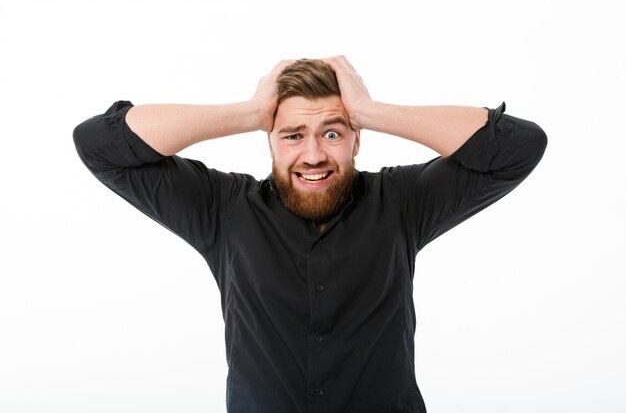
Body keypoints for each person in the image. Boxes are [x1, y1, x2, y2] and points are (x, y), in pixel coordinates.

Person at [73, 56, 547, 413]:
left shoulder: (402, 201)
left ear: (357, 138)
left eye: (333, 133)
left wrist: (370, 109)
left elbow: (519, 147)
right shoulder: (223, 208)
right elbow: (100, 144)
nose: (314, 154)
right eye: (293, 134)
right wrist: (248, 111)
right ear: (270, 141)